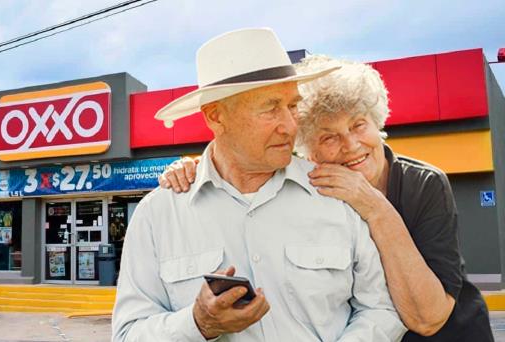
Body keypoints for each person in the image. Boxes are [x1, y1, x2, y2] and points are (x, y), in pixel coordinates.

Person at [159, 55, 494, 341]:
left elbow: (429, 318)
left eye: (359, 125)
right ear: (308, 151)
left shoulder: (423, 184)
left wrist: (374, 206)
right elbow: (239, 161)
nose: (350, 145)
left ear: (377, 122)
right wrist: (198, 168)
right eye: (329, 137)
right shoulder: (313, 188)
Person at [112, 28, 406, 342]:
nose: (291, 125)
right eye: (270, 109)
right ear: (216, 117)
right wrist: (197, 324)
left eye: (293, 106)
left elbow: (381, 310)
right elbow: (128, 334)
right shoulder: (158, 215)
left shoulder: (337, 194)